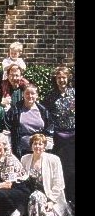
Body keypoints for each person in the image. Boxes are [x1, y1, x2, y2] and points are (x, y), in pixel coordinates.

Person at [21, 134, 74, 216]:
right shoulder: (25, 159)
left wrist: (51, 201)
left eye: (40, 144)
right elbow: (22, 179)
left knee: (36, 197)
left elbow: (59, 183)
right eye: (35, 144)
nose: (37, 146)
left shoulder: (54, 159)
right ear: (31, 145)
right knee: (33, 195)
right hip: (30, 193)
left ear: (44, 146)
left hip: (49, 195)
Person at [43, 66, 75, 206]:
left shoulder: (73, 93)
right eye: (59, 78)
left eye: (64, 77)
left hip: (73, 136)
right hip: (58, 138)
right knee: (61, 168)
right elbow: (47, 118)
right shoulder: (50, 97)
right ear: (55, 79)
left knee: (72, 168)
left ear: (68, 78)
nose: (61, 80)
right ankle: (62, 199)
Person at [4, 83, 52, 159]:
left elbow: (49, 128)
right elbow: (7, 126)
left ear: (37, 95)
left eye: (32, 93)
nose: (30, 96)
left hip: (39, 148)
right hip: (21, 150)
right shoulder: (15, 110)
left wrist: (46, 141)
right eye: (27, 93)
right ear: (23, 95)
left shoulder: (43, 110)